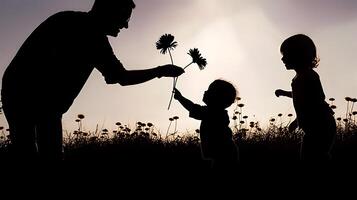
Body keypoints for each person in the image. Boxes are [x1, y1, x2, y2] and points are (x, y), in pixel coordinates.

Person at [1, 0, 184, 162]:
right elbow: (121, 77)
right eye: (124, 18)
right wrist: (160, 71)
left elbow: (118, 76)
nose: (126, 26)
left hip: (19, 90)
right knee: (41, 155)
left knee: (29, 152)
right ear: (109, 11)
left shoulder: (66, 20)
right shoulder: (94, 38)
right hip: (33, 97)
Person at [275, 34, 336, 163]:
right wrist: (285, 93)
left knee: (314, 157)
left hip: (321, 124)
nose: (282, 58)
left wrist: (298, 121)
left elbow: (315, 100)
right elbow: (302, 95)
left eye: (285, 54)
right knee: (313, 156)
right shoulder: (301, 77)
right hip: (316, 125)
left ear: (298, 55)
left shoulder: (308, 76)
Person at [174, 79, 239, 170]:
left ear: (217, 97)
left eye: (209, 90)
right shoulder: (218, 113)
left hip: (223, 154)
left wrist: (180, 98)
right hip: (226, 153)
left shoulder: (213, 113)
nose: (205, 92)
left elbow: (193, 108)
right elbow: (195, 108)